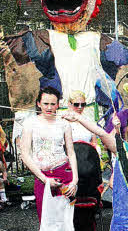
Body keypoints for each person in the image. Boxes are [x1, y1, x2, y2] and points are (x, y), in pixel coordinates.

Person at [20, 87, 79, 221]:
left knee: (66, 218)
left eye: (53, 104)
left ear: (58, 105)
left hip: (64, 173)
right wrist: (44, 179)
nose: (49, 107)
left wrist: (74, 181)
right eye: (45, 103)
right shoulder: (30, 123)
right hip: (42, 176)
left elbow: (71, 153)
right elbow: (25, 155)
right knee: (46, 218)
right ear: (38, 103)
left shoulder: (64, 124)